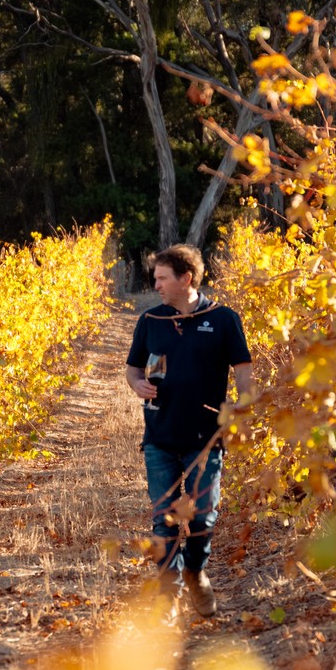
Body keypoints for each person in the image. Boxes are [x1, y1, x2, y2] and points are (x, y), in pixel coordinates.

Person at [125, 244, 253, 618]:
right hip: (159, 438)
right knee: (163, 520)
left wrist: (242, 406)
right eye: (155, 278)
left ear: (187, 278)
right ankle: (169, 597)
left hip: (206, 440)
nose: (156, 285)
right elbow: (132, 369)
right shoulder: (151, 321)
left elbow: (243, 369)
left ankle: (196, 572)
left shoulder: (224, 318)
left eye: (162, 278)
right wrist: (137, 386)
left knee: (201, 519)